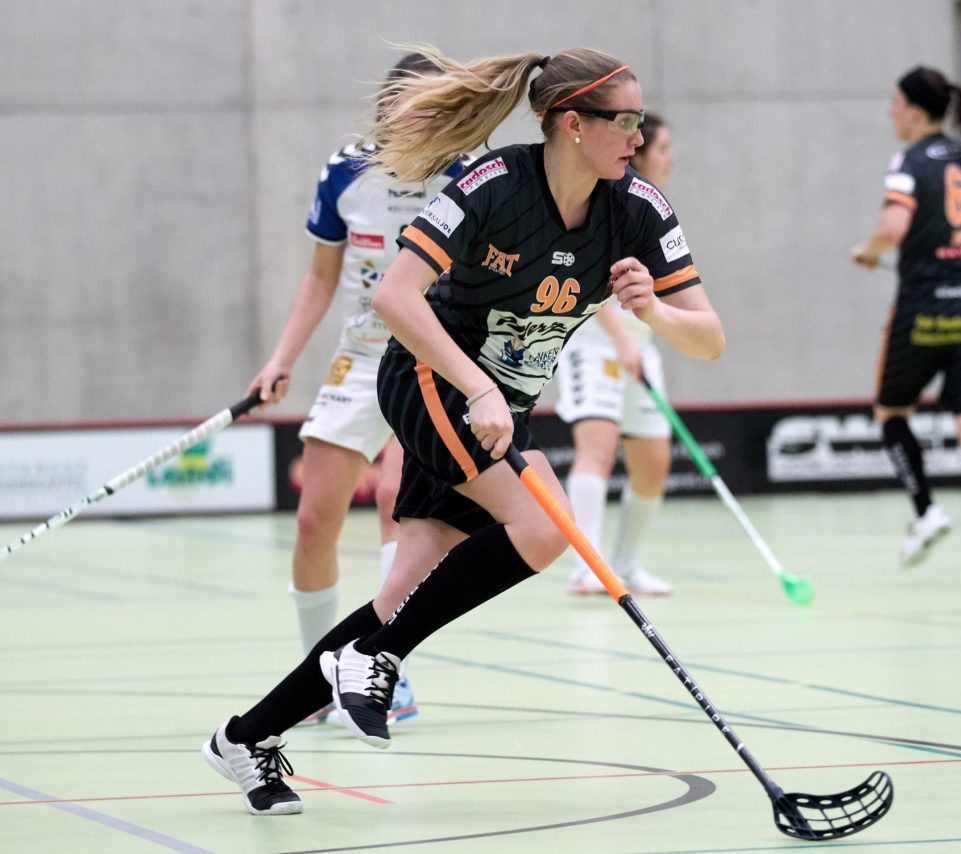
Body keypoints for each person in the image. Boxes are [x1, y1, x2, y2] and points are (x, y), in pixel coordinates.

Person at [202, 45, 724, 816]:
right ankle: (377, 661)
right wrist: (476, 384)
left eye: (641, 121)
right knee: (549, 530)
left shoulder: (638, 207)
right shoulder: (494, 183)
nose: (639, 137)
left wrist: (653, 310)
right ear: (572, 124)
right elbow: (397, 300)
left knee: (399, 595)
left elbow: (708, 337)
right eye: (626, 121)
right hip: (429, 379)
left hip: (497, 408)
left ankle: (244, 738)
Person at [246, 53, 470, 728]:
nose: (429, 116)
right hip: (362, 355)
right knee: (316, 519)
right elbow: (320, 279)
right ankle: (316, 673)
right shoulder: (346, 171)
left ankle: (381, 670)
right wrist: (280, 359)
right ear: (389, 106)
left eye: (442, 105)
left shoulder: (467, 173)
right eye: (418, 103)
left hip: (432, 357)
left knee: (400, 510)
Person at [851, 65, 961, 586]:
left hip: (927, 309)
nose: (890, 112)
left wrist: (868, 250)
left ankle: (927, 510)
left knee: (891, 409)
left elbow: (892, 226)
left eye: (894, 103)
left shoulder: (908, 161)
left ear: (914, 110)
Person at [556, 112, 678, 596]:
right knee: (597, 451)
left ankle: (625, 566)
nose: (670, 157)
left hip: (639, 350)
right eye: (662, 148)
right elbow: (593, 279)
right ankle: (587, 567)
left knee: (653, 463)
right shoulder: (610, 200)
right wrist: (622, 341)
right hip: (595, 343)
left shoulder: (657, 208)